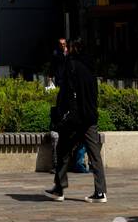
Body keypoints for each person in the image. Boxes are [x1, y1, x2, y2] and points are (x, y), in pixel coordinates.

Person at [45, 39, 107, 203]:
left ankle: (59, 189)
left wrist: (64, 113)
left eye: (70, 47)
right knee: (95, 156)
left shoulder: (72, 65)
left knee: (63, 150)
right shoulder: (90, 67)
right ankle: (100, 192)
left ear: (74, 50)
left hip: (75, 118)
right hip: (90, 117)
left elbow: (68, 92)